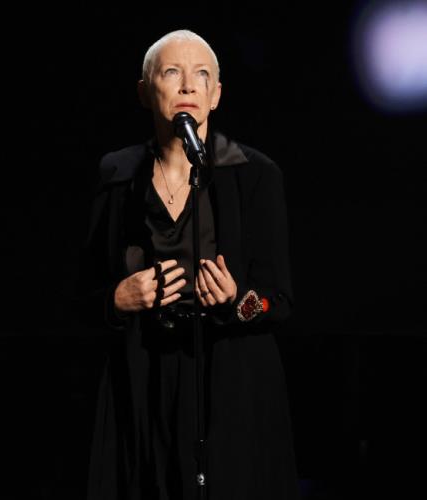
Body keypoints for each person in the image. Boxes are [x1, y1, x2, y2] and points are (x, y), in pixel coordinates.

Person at [79, 29, 299, 500]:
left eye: (201, 75)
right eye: (172, 72)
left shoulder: (255, 174)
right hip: (142, 380)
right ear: (145, 91)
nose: (187, 86)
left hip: (227, 379)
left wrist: (236, 302)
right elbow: (81, 295)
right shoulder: (117, 176)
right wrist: (116, 299)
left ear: (215, 94)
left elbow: (277, 301)